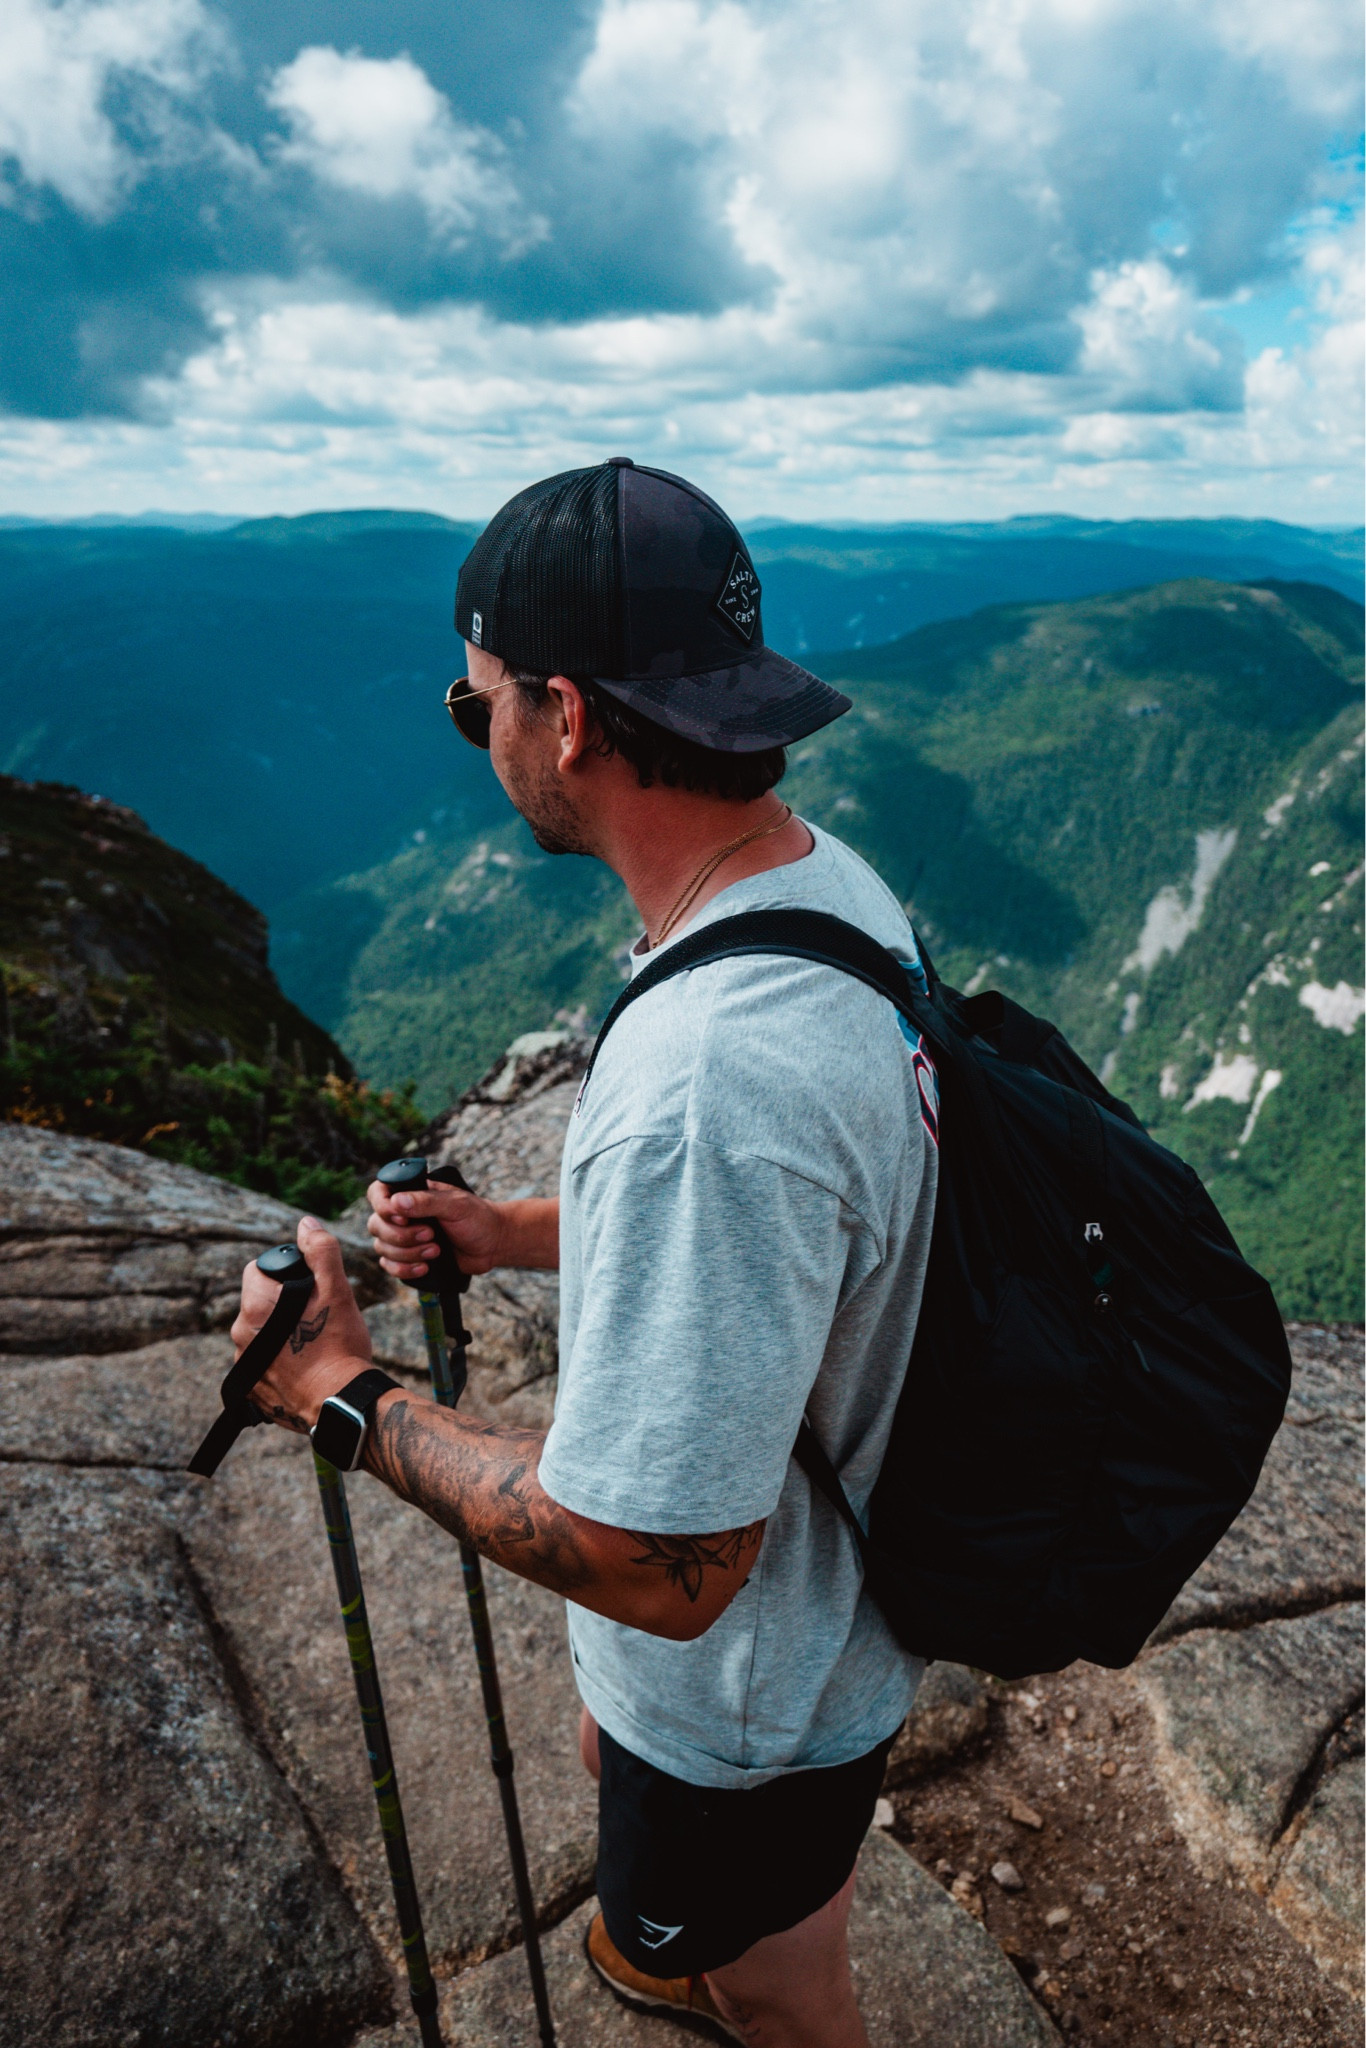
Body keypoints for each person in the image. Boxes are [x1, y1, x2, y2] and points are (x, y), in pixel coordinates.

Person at [234, 459, 939, 2048]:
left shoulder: (707, 1081)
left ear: (561, 716)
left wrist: (339, 1395)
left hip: (750, 1697)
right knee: (642, 1793)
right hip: (821, 1625)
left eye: (469, 702)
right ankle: (680, 1931)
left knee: (778, 1986)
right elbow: (798, 1230)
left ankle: (707, 1967)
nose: (472, 731)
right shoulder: (817, 888)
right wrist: (505, 1234)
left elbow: (650, 1564)